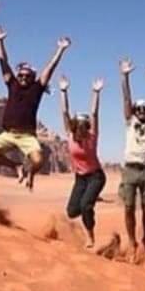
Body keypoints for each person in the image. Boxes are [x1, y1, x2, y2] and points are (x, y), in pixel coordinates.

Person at [0, 25, 71, 190]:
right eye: (21, 75)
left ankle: (30, 173)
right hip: (8, 134)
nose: (23, 78)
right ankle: (15, 166)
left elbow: (50, 68)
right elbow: (3, 63)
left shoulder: (37, 88)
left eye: (27, 75)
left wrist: (60, 49)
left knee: (38, 160)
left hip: (27, 136)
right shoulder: (12, 84)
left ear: (33, 77)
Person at [118, 58, 145, 256]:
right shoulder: (130, 122)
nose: (142, 111)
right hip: (129, 169)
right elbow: (126, 100)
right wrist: (125, 76)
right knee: (128, 208)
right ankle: (132, 240)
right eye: (139, 109)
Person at [59, 75, 106, 249]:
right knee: (72, 212)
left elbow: (94, 113)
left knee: (86, 206)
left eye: (84, 125)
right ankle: (91, 198)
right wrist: (63, 91)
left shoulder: (92, 136)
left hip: (96, 177)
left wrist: (95, 92)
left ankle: (90, 237)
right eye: (79, 124)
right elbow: (64, 112)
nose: (82, 128)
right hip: (80, 179)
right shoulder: (70, 135)